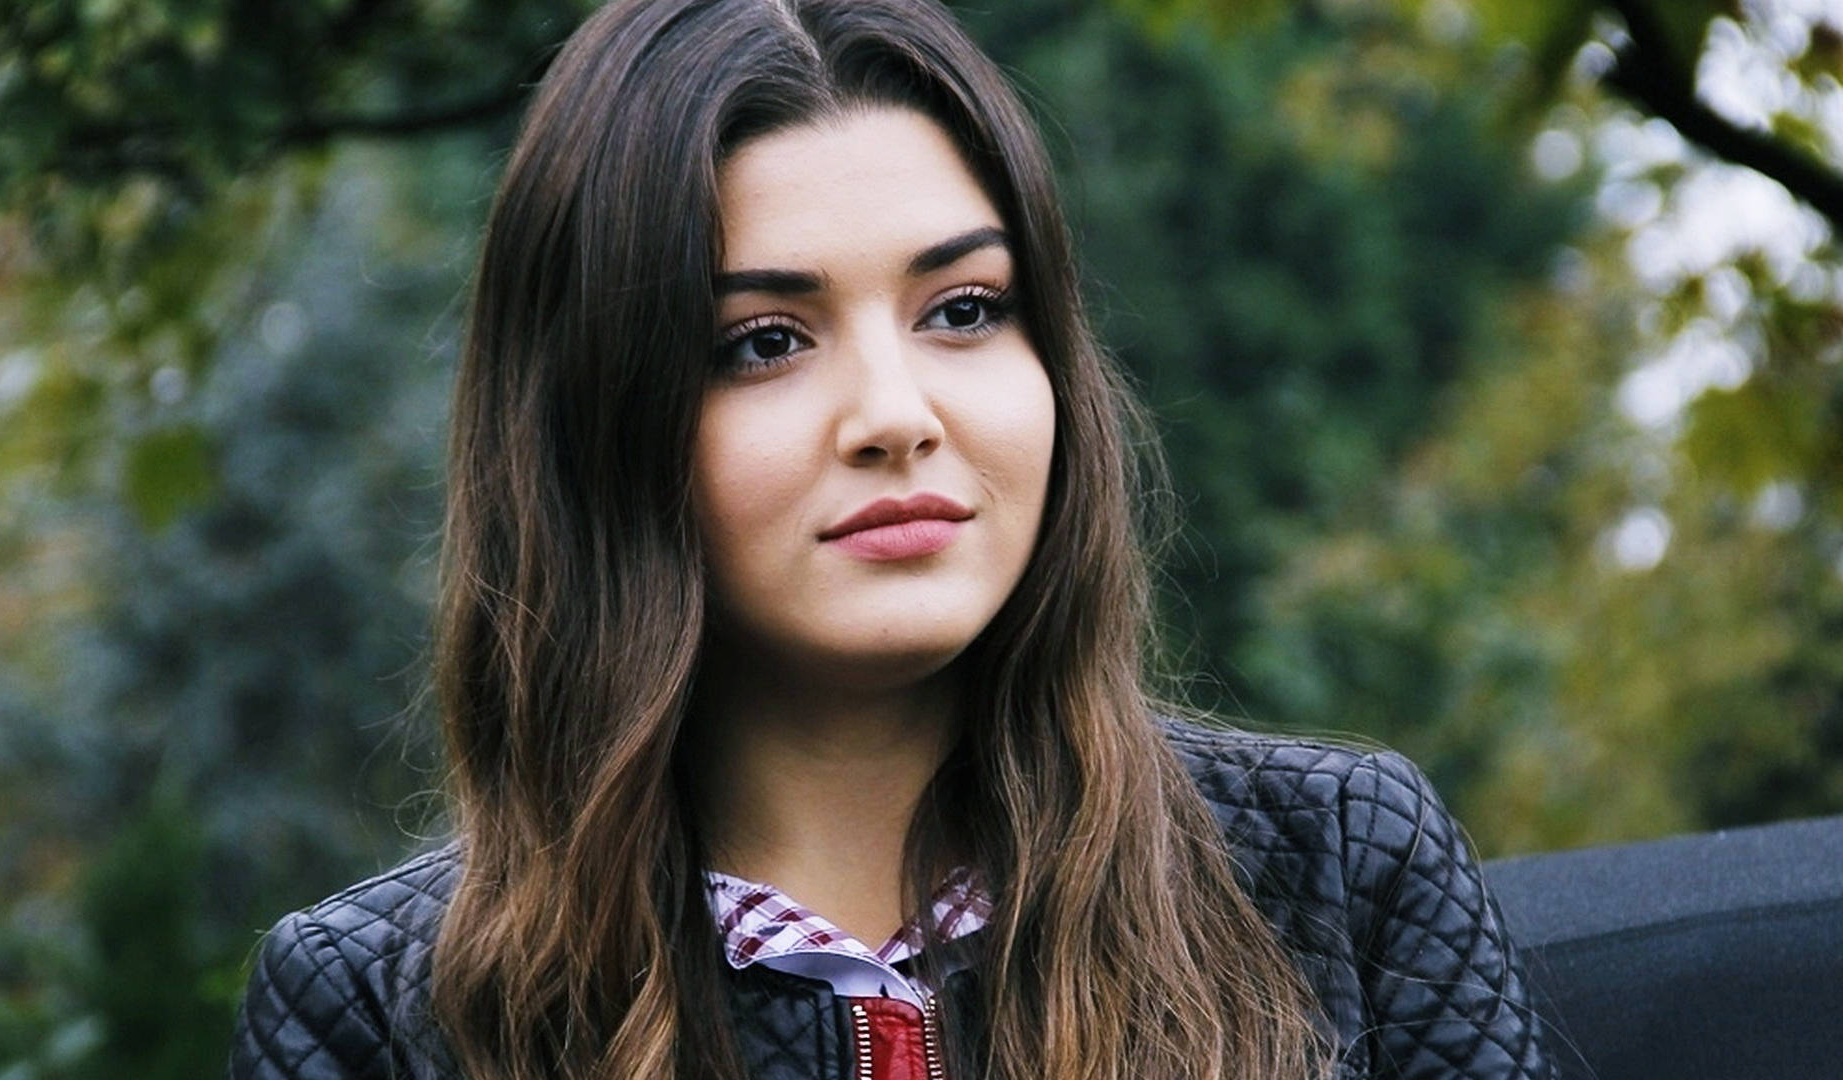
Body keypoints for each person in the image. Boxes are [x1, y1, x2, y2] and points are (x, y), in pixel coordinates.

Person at [229, 1, 1553, 1077]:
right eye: (762, 342)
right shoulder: (379, 1014)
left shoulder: (1334, 872)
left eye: (965, 309)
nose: (894, 415)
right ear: (594, 425)